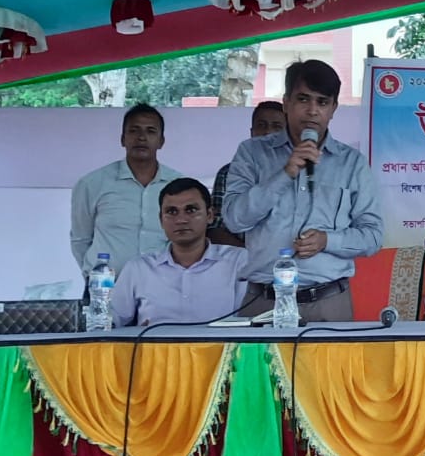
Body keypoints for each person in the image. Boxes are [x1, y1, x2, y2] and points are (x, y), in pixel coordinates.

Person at [223, 60, 383, 322]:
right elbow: (234, 219)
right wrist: (285, 173)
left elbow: (373, 237)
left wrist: (327, 240)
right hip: (263, 300)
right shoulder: (252, 153)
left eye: (322, 102)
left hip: (328, 302)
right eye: (303, 99)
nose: (312, 111)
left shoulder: (351, 163)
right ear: (286, 103)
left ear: (333, 109)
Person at [111, 178, 248, 328]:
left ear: (209, 215)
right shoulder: (139, 268)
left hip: (220, 344)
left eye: (191, 210)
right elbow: (109, 323)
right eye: (172, 212)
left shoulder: (238, 261)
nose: (181, 220)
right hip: (154, 344)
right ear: (161, 220)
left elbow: (252, 321)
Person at [70, 103, 182, 276]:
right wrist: (96, 277)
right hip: (107, 285)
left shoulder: (179, 185)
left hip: (162, 283)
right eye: (134, 131)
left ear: (161, 141)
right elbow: (80, 240)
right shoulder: (92, 183)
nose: (141, 137)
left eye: (151, 131)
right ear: (122, 139)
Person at [208, 100, 286, 246]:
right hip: (239, 255)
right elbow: (215, 228)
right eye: (261, 125)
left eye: (276, 127)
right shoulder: (227, 173)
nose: (268, 132)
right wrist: (249, 254)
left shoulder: (294, 172)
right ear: (252, 131)